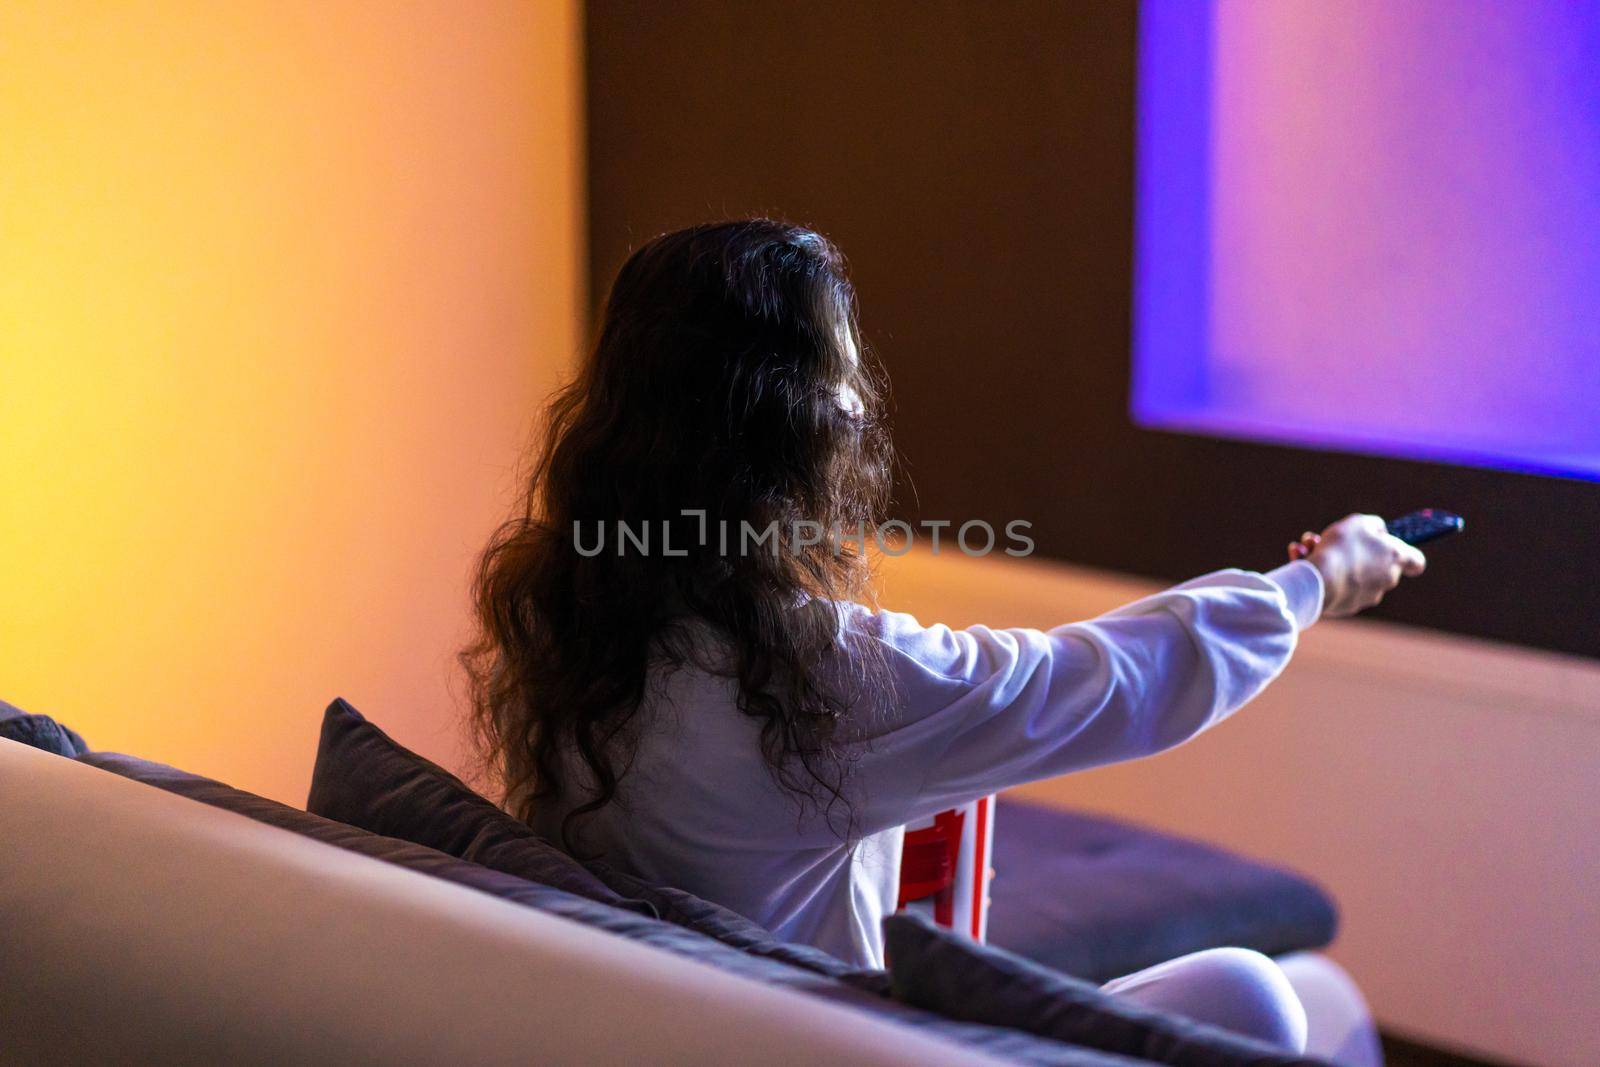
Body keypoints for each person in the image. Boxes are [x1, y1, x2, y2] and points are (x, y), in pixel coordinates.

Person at [461, 219, 1424, 1053]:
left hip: (678, 1032)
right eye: (841, 375)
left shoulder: (561, 616)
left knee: (1311, 998)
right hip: (833, 1048)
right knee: (1258, 995)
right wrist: (1316, 583)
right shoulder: (814, 675)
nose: (860, 402)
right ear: (789, 424)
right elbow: (1107, 681)